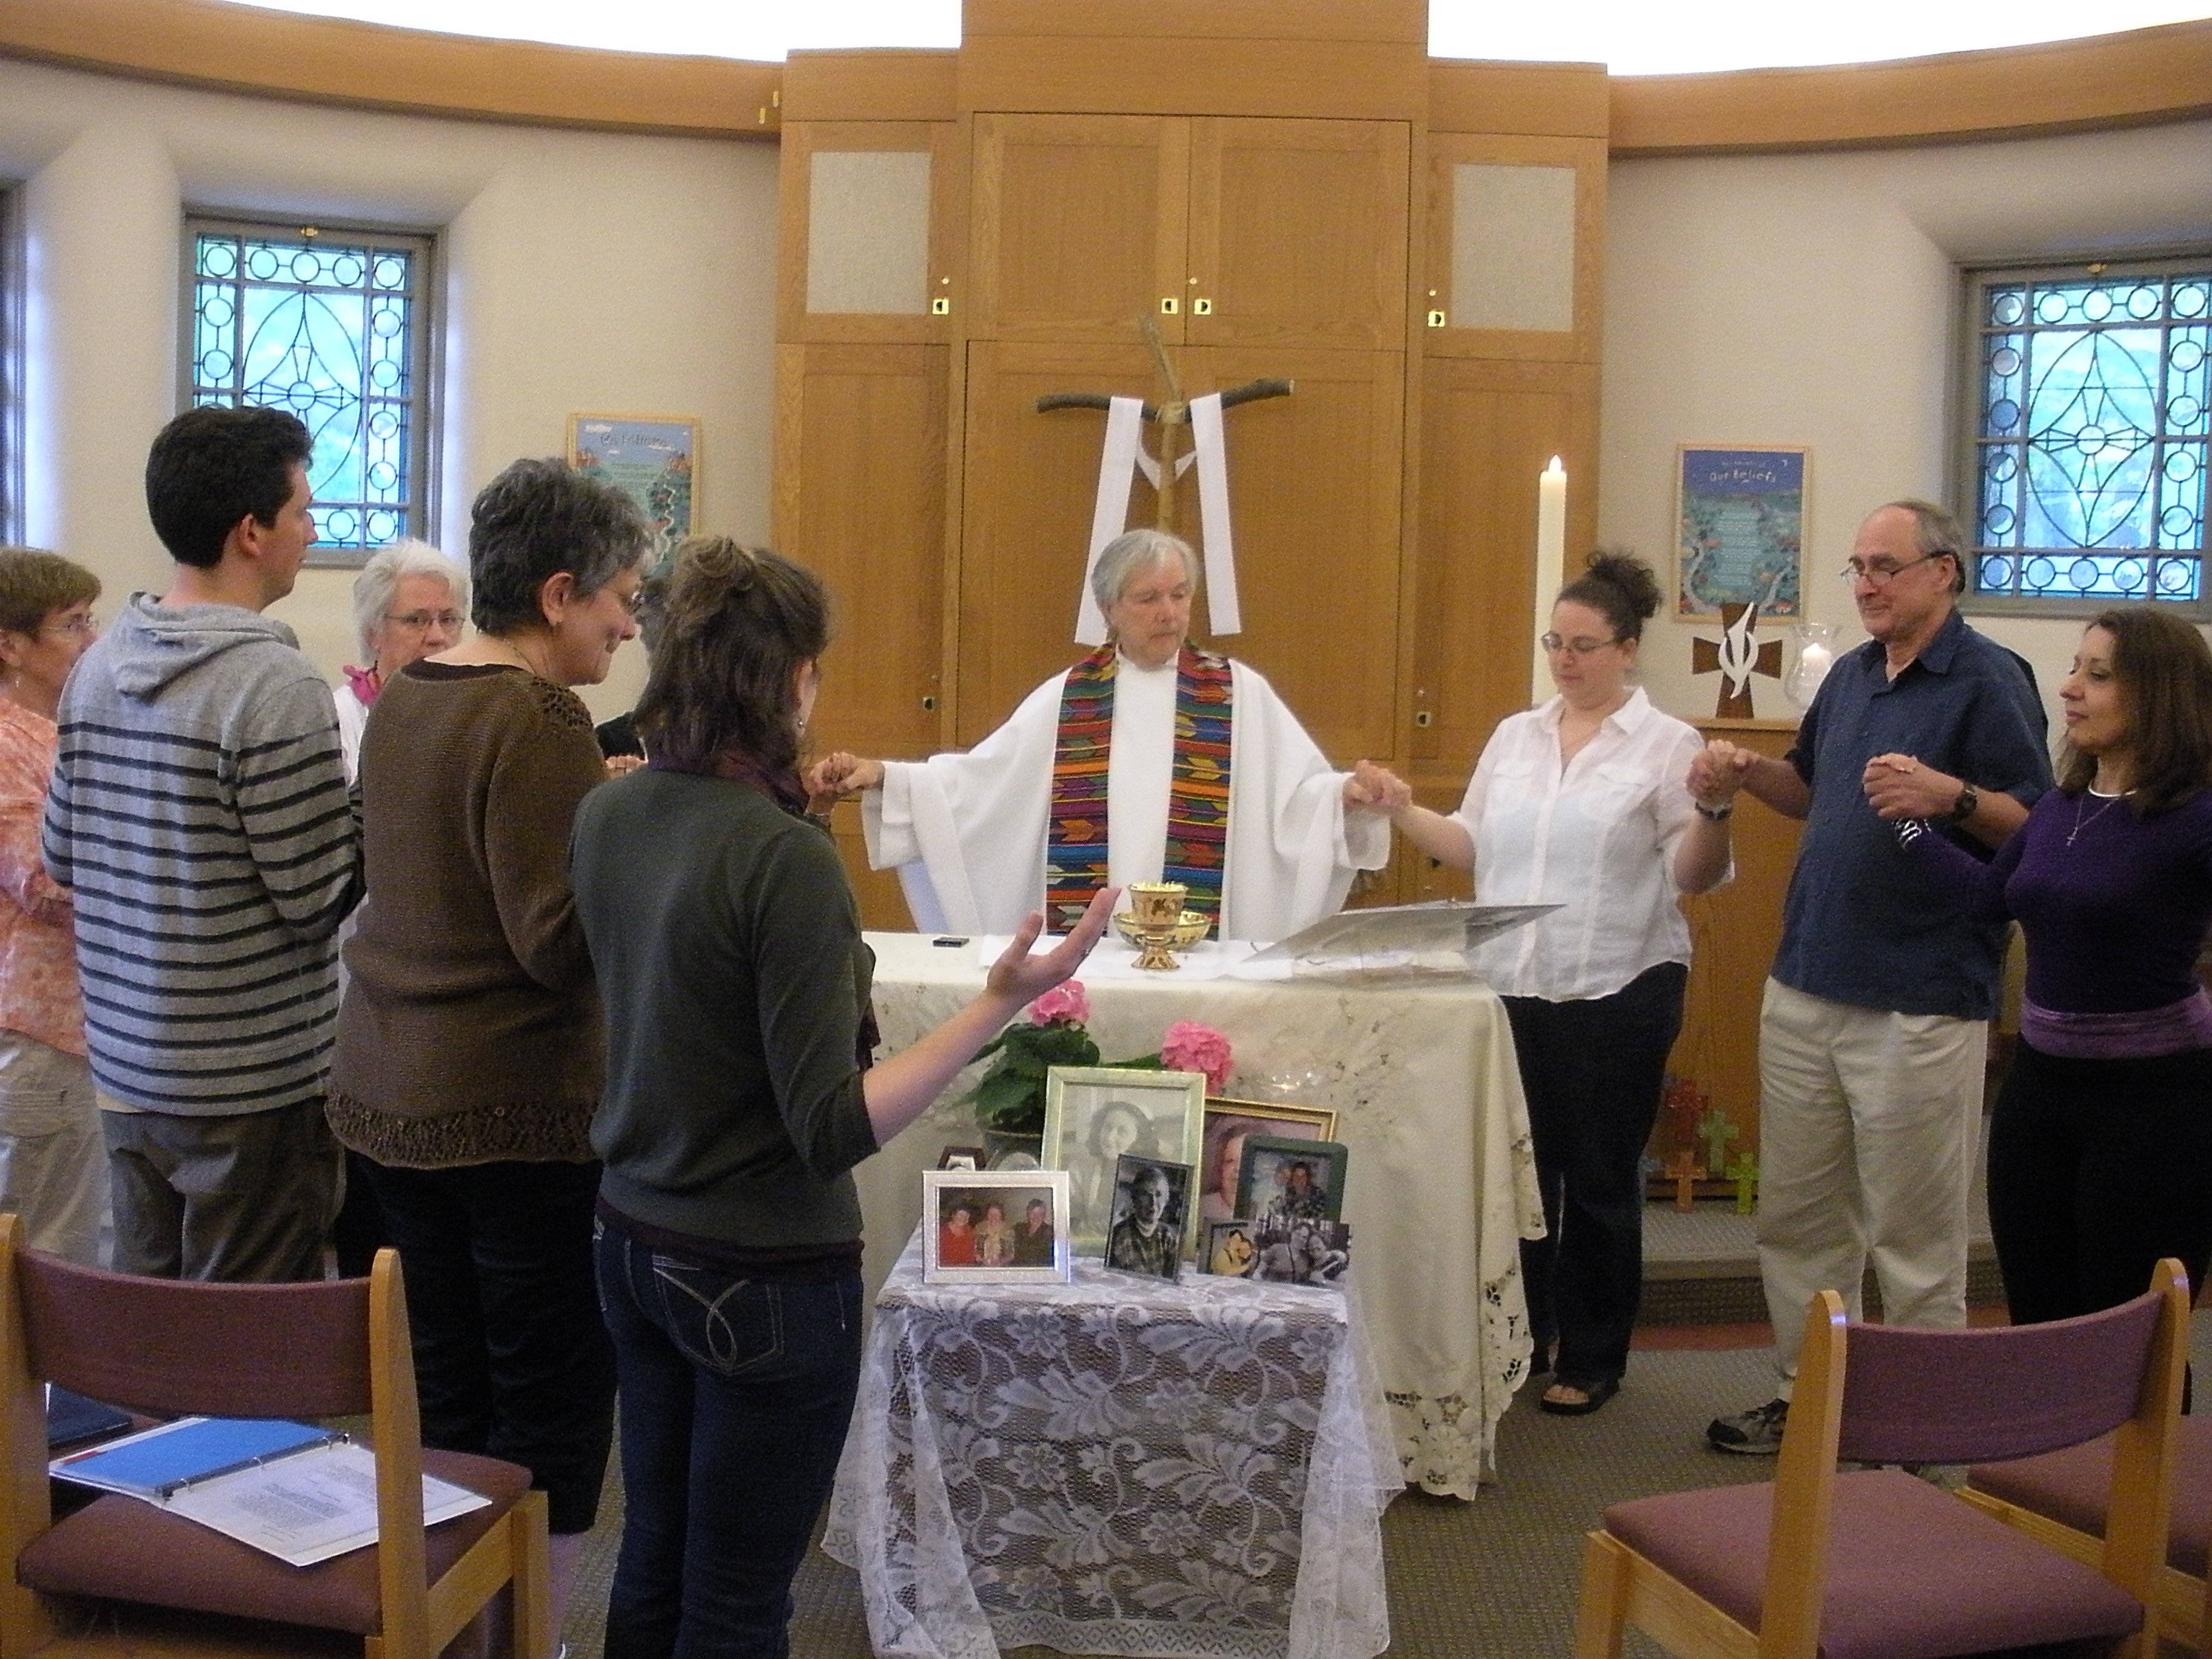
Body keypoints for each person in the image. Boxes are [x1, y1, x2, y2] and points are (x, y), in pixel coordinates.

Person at [570, 535, 1112, 1658]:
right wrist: (1000, 1001)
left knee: (655, 1560)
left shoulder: (608, 814)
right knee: (734, 1601)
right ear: (791, 680)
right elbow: (829, 1126)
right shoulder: (780, 859)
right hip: (757, 1268)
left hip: (629, 1236)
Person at [327, 457, 646, 1623]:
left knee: (444, 1392)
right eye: (621, 594)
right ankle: (526, 1636)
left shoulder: (410, 693)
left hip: (389, 1094)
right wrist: (632, 834)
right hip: (511, 1113)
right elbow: (554, 943)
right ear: (559, 594)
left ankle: (443, 1621)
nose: (629, 622)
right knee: (552, 1393)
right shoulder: (537, 709)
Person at [1695, 500, 2051, 1454]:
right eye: (1857, 566)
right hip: (1810, 980)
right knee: (1800, 1221)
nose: (1866, 584)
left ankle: (1922, 1424)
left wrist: (1954, 797)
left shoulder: (1988, 678)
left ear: (1946, 571)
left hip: (1921, 994)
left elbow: (2044, 828)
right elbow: (1811, 791)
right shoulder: (1852, 678)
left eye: (1886, 565)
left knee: (1913, 1234)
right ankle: (1813, 1397)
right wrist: (1739, 773)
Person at [1363, 551, 1732, 1416]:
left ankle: (1596, 1356)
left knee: (1599, 1179)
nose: (1566, 661)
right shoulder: (1515, 735)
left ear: (1628, 649)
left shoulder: (1667, 745)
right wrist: (1397, 808)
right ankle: (1520, 1341)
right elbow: (1470, 845)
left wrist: (1715, 810)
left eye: (1585, 646)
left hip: (1616, 988)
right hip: (1512, 986)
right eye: (1555, 644)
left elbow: (1698, 874)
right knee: (1519, 1179)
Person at [43, 406, 360, 1281]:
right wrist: (378, 798)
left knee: (153, 1345)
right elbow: (316, 896)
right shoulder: (274, 680)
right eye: (302, 511)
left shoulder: (98, 666)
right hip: (251, 1091)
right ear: (250, 532)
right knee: (245, 1372)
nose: (313, 529)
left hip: (129, 1071)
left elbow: (62, 855)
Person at [808, 527, 1392, 942]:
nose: (1169, 612)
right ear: (1111, 607)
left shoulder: (1238, 692)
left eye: (1180, 594)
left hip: (1203, 939)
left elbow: (1297, 797)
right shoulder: (1070, 697)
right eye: (1149, 598)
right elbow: (983, 784)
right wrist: (887, 775)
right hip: (1089, 944)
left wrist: (1344, 798)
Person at [1891, 608, 2212, 1326]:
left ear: (2159, 694)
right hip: (2040, 1090)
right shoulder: (2063, 807)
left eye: (2097, 675)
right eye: (2075, 668)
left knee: (2133, 1328)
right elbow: (1986, 898)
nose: (2070, 688)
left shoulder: (2196, 817)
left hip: (2153, 1104)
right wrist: (1908, 822)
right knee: (2040, 1311)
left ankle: (2146, 1444)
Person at [0, 548, 104, 1264]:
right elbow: (40, 881)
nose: (92, 642)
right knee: (40, 1262)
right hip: (39, 1035)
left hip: (76, 1033)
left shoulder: (60, 734)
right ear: (12, 646)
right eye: (71, 626)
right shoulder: (9, 743)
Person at [333, 538, 468, 780]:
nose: (438, 637)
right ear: (373, 632)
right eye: (416, 620)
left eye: (448, 620)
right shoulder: (340, 720)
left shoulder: (478, 715)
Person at [1105, 1162, 1178, 1278]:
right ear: (1135, 1198)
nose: (1153, 1203)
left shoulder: (1169, 1236)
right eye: (1145, 1195)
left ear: (1166, 1199)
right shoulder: (1120, 1237)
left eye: (1159, 1195)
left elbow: (1172, 1280)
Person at [1013, 1197, 1056, 1265]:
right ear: (1028, 1214)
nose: (1036, 1217)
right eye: (1033, 1214)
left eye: (1040, 1214)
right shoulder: (1019, 1228)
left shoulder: (1049, 1232)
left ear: (1044, 1216)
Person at [974, 1199, 1014, 1266]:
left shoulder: (1008, 1230)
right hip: (983, 1266)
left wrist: (1001, 1262)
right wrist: (982, 1260)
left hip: (1003, 1267)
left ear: (1001, 1215)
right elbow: (974, 1250)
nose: (993, 1217)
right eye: (990, 1214)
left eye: (996, 1214)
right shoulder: (980, 1228)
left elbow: (1011, 1255)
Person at [937, 1202, 977, 1267]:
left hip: (966, 1269)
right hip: (947, 1270)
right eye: (961, 1215)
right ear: (953, 1216)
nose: (963, 1218)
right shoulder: (943, 1232)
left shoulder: (969, 1231)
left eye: (967, 1215)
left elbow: (972, 1252)